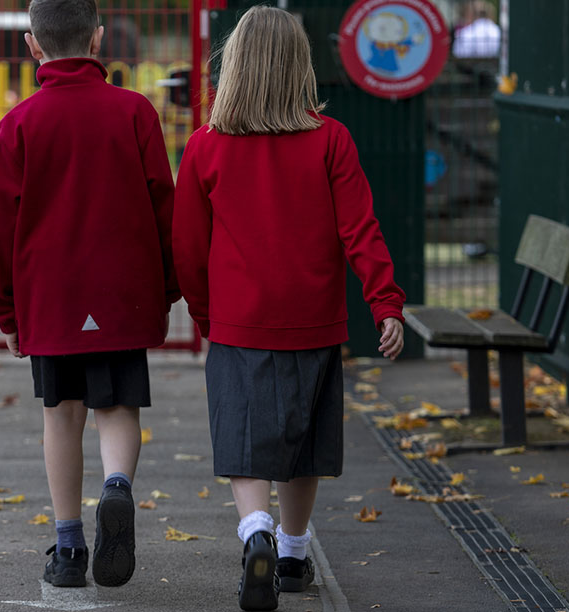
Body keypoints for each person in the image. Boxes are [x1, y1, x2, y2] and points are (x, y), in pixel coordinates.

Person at [172, 6, 406, 610]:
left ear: (236, 65)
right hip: (314, 319)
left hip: (237, 319)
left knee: (244, 440)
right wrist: (385, 304)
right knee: (302, 440)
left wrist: (205, 315)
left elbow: (188, 247)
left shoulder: (206, 147)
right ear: (299, 67)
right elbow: (361, 231)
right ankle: (294, 556)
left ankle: (255, 532)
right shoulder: (331, 141)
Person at [0, 0, 178, 590]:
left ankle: (67, 549)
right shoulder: (136, 113)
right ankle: (117, 488)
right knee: (117, 407)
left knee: (60, 416)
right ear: (96, 38)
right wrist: (169, 286)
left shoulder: (16, 126)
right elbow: (163, 204)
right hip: (122, 292)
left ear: (32, 46)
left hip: (51, 295)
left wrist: (3, 309)